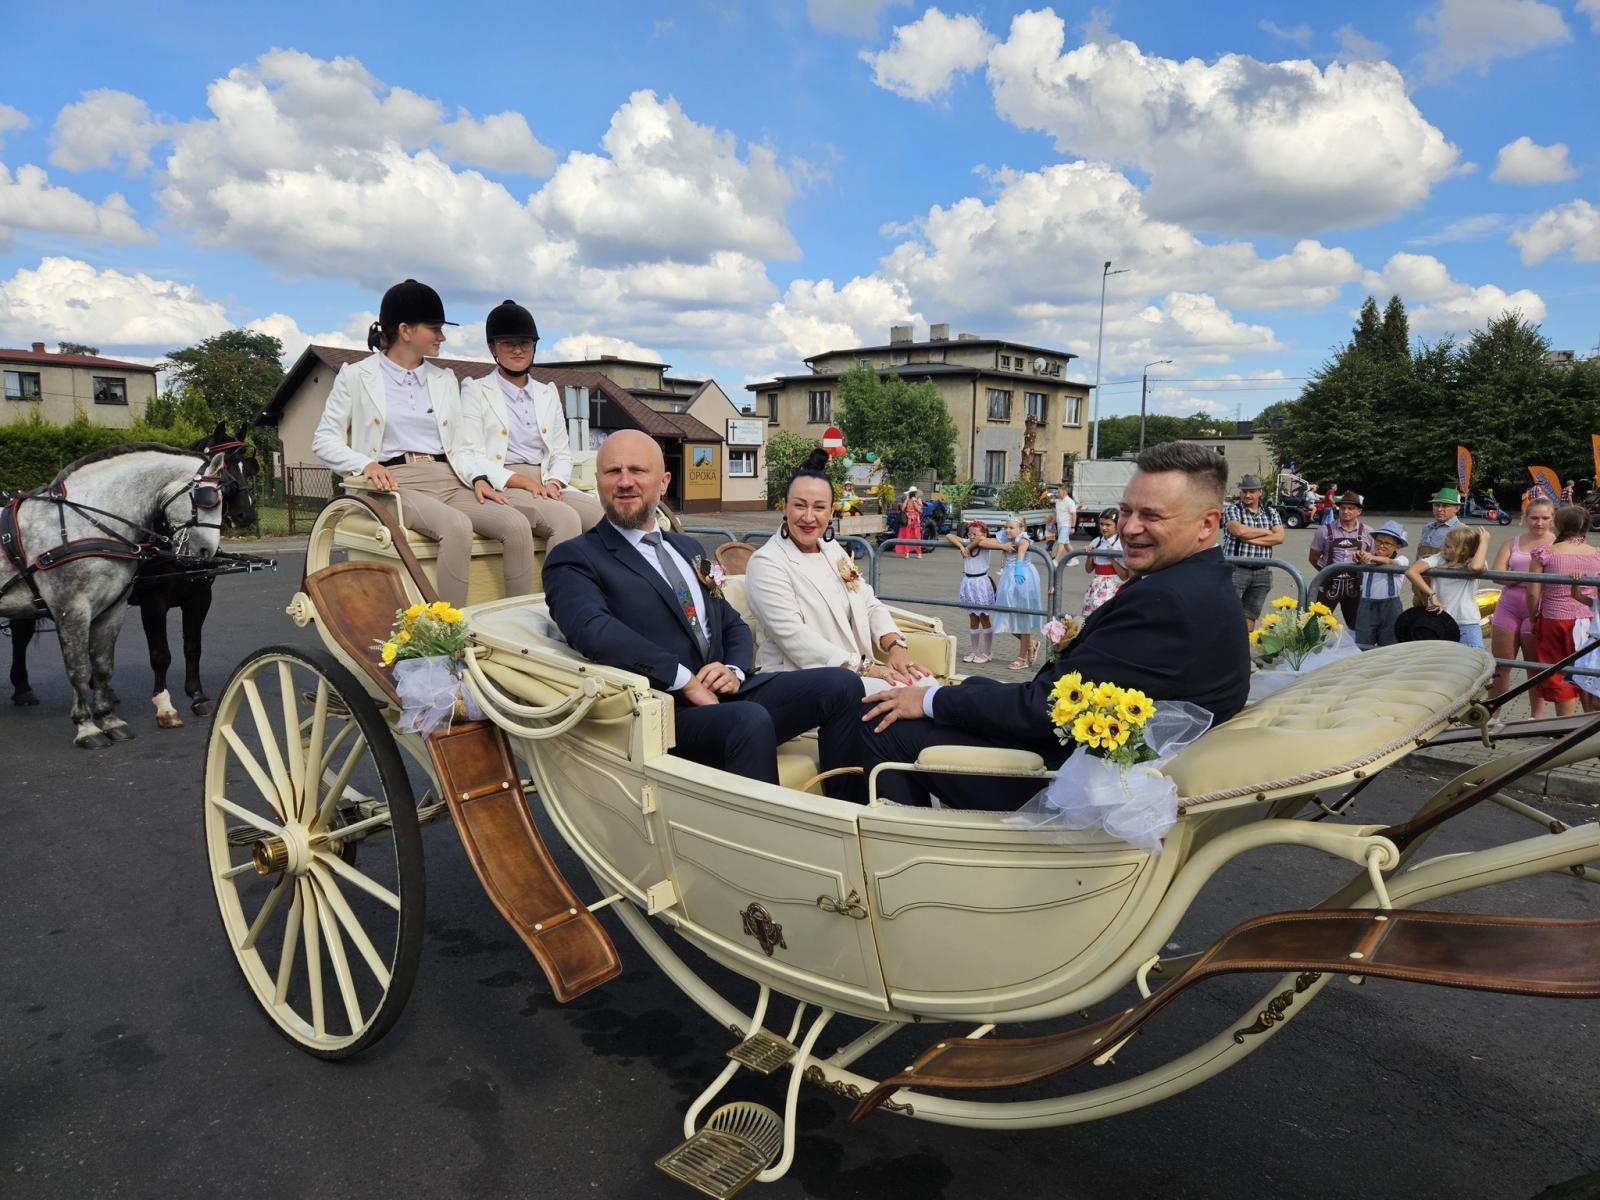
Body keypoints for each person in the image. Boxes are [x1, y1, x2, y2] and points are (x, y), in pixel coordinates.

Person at [858, 442, 1251, 811]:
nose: (1129, 528)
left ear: (1207, 524)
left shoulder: (1169, 601)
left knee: (879, 725)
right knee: (973, 686)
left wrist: (928, 701)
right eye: (1127, 511)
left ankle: (903, 857)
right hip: (1091, 753)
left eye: (1151, 515)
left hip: (1067, 782)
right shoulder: (1203, 583)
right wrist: (940, 698)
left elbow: (1047, 709)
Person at [542, 430, 865, 800]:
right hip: (664, 710)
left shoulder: (687, 547)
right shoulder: (575, 557)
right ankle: (766, 847)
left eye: (637, 470)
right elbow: (593, 632)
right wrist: (683, 680)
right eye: (612, 471)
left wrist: (735, 670)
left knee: (843, 687)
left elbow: (731, 623)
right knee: (749, 720)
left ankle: (849, 815)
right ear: (598, 482)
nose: (625, 482)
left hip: (725, 692)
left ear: (663, 482)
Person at [310, 278, 536, 608]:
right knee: (456, 526)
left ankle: (518, 625)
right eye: (434, 328)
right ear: (405, 330)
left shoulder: (444, 379)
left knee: (515, 523)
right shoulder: (357, 375)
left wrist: (479, 478)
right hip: (392, 484)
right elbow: (323, 439)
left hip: (448, 478)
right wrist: (364, 465)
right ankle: (448, 637)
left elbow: (460, 446)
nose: (442, 336)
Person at [745, 453, 927, 696]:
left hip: (853, 674)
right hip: (799, 682)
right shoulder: (766, 563)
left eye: (819, 507)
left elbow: (868, 602)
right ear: (785, 506)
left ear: (832, 511)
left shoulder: (831, 549)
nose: (809, 517)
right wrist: (867, 667)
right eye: (799, 505)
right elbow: (795, 638)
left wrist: (895, 647)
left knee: (927, 687)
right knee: (909, 697)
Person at [458, 300, 602, 551]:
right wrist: (524, 483)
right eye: (508, 344)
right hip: (504, 483)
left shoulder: (547, 393)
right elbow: (471, 453)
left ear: (534, 346)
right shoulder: (475, 389)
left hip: (547, 481)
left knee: (605, 518)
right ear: (493, 347)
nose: (518, 350)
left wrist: (554, 482)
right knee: (565, 521)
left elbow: (561, 452)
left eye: (525, 343)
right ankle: (559, 591)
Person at [1526, 504, 1600, 717]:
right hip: (1589, 621)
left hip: (1553, 619)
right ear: (1586, 526)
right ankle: (1587, 730)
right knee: (1588, 673)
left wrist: (1533, 618)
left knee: (1558, 675)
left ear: (1557, 524)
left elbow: (1532, 593)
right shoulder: (1596, 554)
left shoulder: (1545, 553)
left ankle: (1565, 729)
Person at [1488, 497, 1556, 716]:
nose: (1539, 523)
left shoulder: (1557, 544)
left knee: (1534, 667)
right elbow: (1497, 575)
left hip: (1537, 609)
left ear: (1552, 519)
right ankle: (1492, 715)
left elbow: (1559, 579)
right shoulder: (1511, 542)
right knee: (1501, 664)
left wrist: (1516, 577)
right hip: (1508, 606)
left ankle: (1535, 718)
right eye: (1534, 517)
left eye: (1545, 518)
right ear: (1525, 518)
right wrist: (1530, 580)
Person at [1404, 526, 1490, 648]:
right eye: (1444, 544)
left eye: (1448, 546)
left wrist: (1484, 542)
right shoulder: (1440, 558)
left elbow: (1476, 567)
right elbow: (1411, 572)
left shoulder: (1474, 561)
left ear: (1463, 550)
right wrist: (1431, 594)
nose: (1442, 548)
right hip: (1440, 621)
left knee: (1475, 657)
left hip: (1466, 622)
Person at [1221, 472, 1283, 631]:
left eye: (1252, 491)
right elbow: (1239, 531)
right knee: (1227, 612)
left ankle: (1243, 652)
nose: (1247, 495)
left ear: (1260, 492)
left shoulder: (1271, 512)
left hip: (1261, 571)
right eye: (1244, 491)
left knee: (1250, 614)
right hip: (1236, 569)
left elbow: (1279, 537)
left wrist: (1252, 538)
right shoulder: (1233, 510)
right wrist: (1267, 532)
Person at [1309, 490, 1372, 627]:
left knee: (1358, 627)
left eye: (1351, 508)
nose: (1346, 511)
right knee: (1316, 627)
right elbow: (1313, 557)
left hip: (1356, 587)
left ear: (1359, 511)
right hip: (1328, 586)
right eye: (1343, 508)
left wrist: (1366, 558)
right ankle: (1315, 649)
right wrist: (1326, 572)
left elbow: (1374, 558)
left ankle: (1357, 648)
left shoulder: (1368, 532)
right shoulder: (1324, 530)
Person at [988, 514, 1043, 669]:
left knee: (1022, 618)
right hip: (1008, 579)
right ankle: (1031, 644)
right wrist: (1001, 546)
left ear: (1022, 529)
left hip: (1023, 579)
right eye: (1006, 527)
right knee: (1006, 616)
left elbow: (1021, 551)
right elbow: (983, 541)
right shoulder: (1006, 539)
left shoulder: (1023, 539)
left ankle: (1022, 658)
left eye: (1011, 528)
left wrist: (1018, 567)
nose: (1007, 530)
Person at [1352, 521, 1409, 649]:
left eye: (1387, 543)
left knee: (1390, 645)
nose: (1381, 545)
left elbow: (1390, 562)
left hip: (1391, 609)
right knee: (1363, 643)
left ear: (1397, 546)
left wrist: (1370, 557)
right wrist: (1358, 556)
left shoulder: (1402, 559)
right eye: (1378, 541)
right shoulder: (1368, 558)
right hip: (1366, 608)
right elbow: (1358, 559)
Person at [945, 519, 995, 663]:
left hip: (981, 582)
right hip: (968, 581)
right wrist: (962, 546)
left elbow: (980, 541)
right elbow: (949, 536)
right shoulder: (967, 542)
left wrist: (969, 547)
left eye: (975, 533)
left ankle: (987, 652)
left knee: (984, 618)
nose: (971, 536)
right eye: (969, 534)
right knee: (973, 618)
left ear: (984, 533)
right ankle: (974, 651)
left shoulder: (986, 543)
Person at [1082, 508, 1129, 614]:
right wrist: (1090, 554)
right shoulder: (1096, 541)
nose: (1103, 528)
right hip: (1096, 586)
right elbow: (1088, 569)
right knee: (1090, 615)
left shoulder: (1121, 544)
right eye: (1101, 524)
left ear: (1117, 526)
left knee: (1105, 615)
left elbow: (1124, 576)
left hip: (1113, 586)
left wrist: (1112, 557)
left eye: (1108, 525)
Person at [1052, 483, 1078, 563]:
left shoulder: (1070, 502)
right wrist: (1053, 524)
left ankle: (1056, 560)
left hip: (1066, 525)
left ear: (1064, 492)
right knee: (1066, 544)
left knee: (1061, 542)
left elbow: (1074, 515)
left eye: (1058, 492)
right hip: (1060, 525)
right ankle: (1074, 559)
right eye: (1057, 492)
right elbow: (1056, 513)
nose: (1057, 494)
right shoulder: (1058, 502)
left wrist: (1073, 527)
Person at [896, 487, 923, 557]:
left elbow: (919, 510)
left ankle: (919, 553)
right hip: (909, 520)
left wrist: (914, 501)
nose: (912, 494)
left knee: (917, 536)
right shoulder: (907, 499)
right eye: (911, 493)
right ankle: (907, 552)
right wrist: (907, 500)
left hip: (916, 521)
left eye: (913, 493)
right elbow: (902, 509)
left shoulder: (918, 500)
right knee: (907, 536)